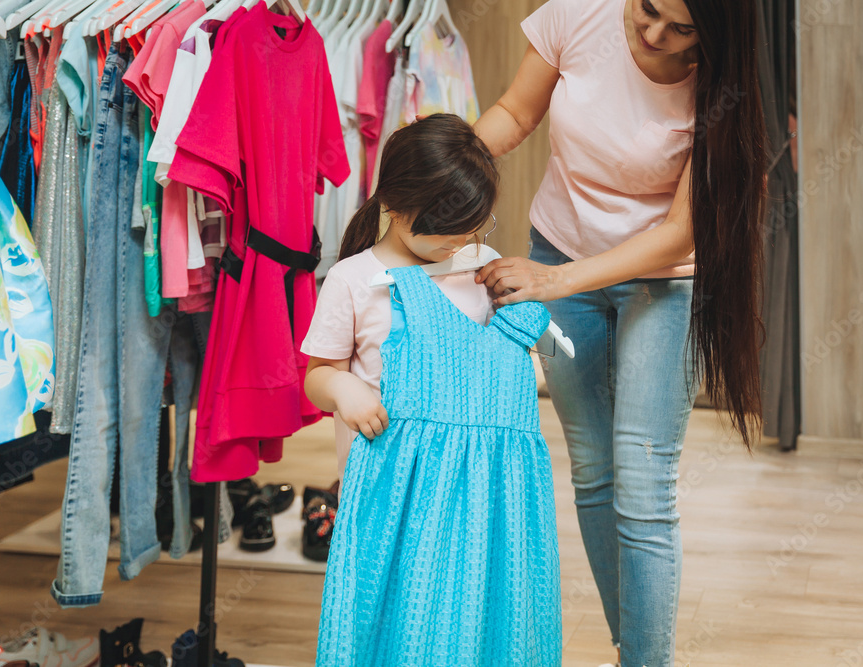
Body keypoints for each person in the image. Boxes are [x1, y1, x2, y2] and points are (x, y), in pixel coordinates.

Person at [471, 0, 768, 665]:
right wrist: (441, 156)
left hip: (663, 279)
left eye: (681, 28)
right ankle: (632, 650)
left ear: (714, 32)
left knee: (643, 486)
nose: (655, 33)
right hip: (559, 248)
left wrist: (554, 283)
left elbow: (678, 234)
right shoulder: (579, 14)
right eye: (649, 9)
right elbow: (517, 114)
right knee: (596, 472)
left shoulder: (723, 85)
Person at [302, 114, 562, 666]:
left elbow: (515, 359)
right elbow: (317, 373)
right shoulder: (353, 279)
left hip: (490, 494)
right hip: (391, 496)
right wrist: (344, 389)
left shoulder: (484, 268)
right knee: (395, 627)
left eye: (473, 225)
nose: (459, 242)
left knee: (487, 623)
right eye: (446, 225)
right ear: (393, 205)